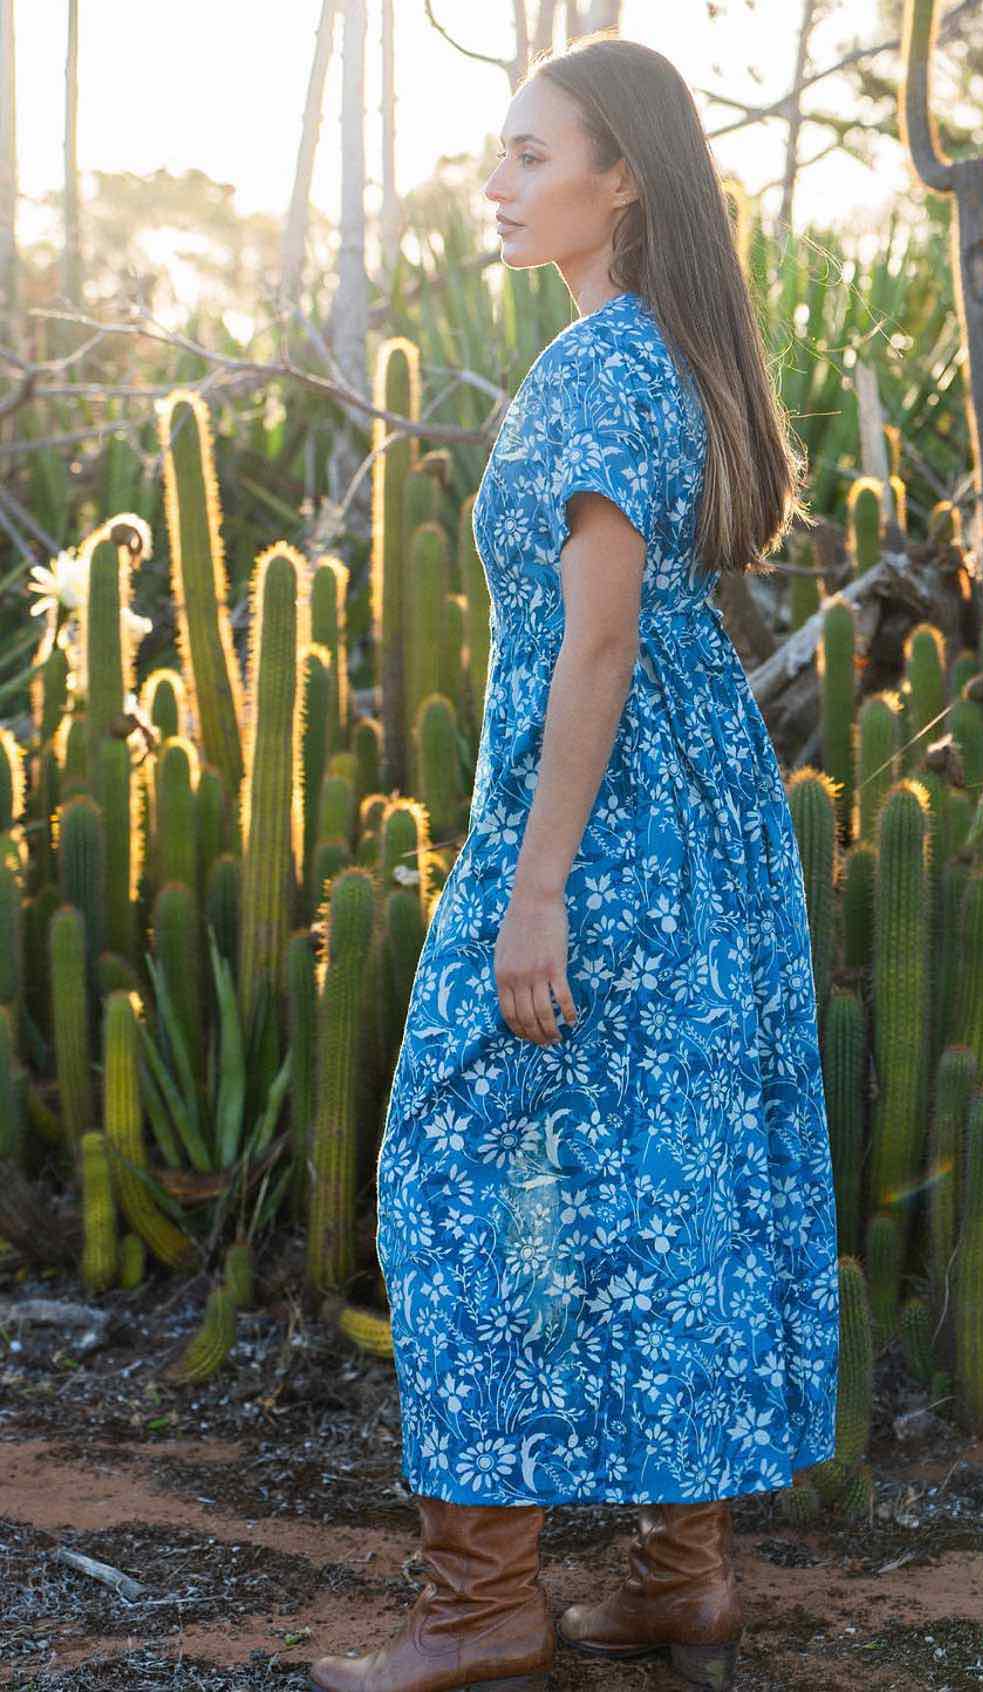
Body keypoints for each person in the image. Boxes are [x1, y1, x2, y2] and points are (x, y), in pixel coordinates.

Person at [310, 30, 840, 1692]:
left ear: (624, 179)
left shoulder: (612, 366)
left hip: (600, 831)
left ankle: (479, 1610)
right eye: (501, 150)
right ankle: (680, 1579)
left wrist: (530, 888)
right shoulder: (647, 353)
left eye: (533, 153)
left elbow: (597, 647)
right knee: (660, 1161)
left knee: (458, 1162)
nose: (499, 179)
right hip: (687, 818)